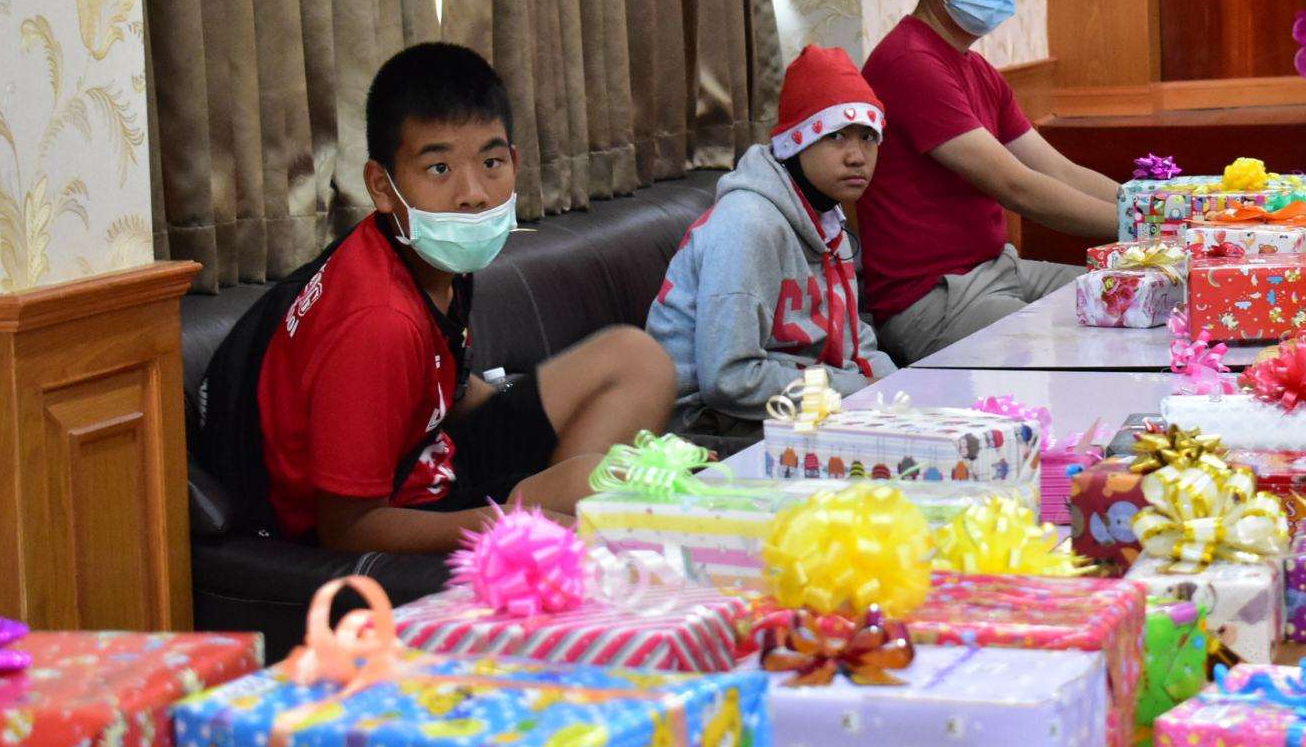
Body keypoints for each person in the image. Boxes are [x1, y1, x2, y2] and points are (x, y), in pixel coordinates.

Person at [200, 42, 677, 555]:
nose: (473, 193)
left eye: (491, 162)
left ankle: (562, 510)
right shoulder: (377, 322)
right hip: (392, 513)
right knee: (591, 486)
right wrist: (510, 518)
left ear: (514, 161)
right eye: (439, 169)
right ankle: (550, 538)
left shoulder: (424, 253)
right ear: (382, 186)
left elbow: (440, 380)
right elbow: (347, 528)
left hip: (432, 453)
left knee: (636, 360)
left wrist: (522, 413)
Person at [860, 0, 1120, 364]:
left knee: (1147, 298)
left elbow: (1059, 170)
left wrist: (1157, 209)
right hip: (934, 298)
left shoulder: (977, 70)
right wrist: (1148, 229)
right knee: (1092, 348)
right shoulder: (909, 62)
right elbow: (1016, 186)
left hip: (1000, 269)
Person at [648, 45, 895, 434]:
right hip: (709, 429)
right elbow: (729, 380)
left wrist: (898, 390)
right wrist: (856, 390)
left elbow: (855, 346)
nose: (857, 156)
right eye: (835, 136)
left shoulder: (829, 218)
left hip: (801, 407)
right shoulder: (748, 224)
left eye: (868, 137)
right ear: (796, 142)